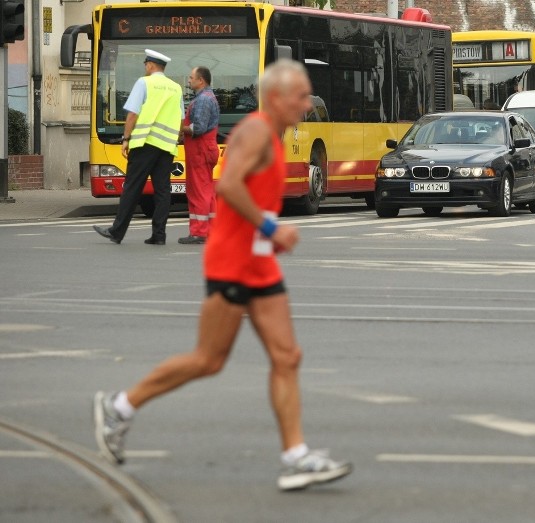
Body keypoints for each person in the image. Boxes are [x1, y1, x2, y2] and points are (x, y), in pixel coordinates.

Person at [92, 60, 353, 491]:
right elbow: (228, 185)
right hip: (233, 261)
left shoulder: (272, 133)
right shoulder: (254, 131)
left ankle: (296, 456)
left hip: (258, 261)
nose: (307, 104)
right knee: (208, 360)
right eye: (300, 95)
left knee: (287, 357)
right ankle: (119, 407)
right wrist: (271, 227)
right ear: (274, 97)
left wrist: (267, 237)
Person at [93, 49, 184, 245]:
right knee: (162, 191)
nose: (145, 67)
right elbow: (181, 120)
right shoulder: (176, 88)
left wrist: (126, 139)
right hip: (167, 146)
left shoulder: (144, 82)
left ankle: (117, 232)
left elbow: (132, 114)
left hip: (144, 144)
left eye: (145, 64)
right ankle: (159, 235)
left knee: (132, 188)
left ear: (150, 65)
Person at [179, 66, 220, 245]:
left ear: (201, 80)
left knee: (198, 192)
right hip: (205, 150)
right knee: (207, 191)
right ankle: (210, 229)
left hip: (200, 151)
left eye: (191, 78)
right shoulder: (208, 98)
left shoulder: (203, 100)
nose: (189, 81)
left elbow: (199, 128)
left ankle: (199, 232)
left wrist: (180, 129)